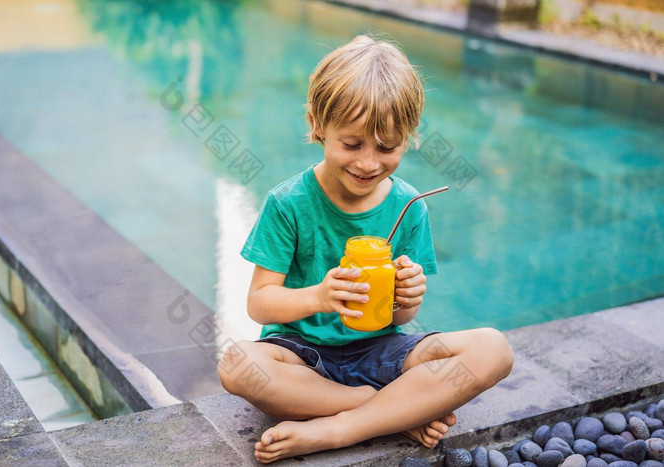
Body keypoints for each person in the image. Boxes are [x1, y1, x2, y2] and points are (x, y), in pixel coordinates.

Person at [218, 34, 514, 464]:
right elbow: (260, 304)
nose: (369, 163)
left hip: (381, 351)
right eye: (352, 144)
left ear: (409, 138)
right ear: (318, 126)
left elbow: (401, 319)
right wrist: (319, 296)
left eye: (387, 147)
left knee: (493, 350)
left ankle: (337, 427)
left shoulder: (409, 207)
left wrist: (408, 298)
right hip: (301, 355)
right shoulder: (289, 204)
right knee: (237, 364)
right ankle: (386, 409)